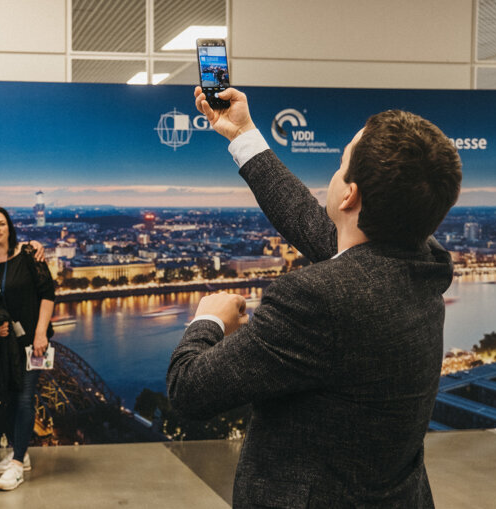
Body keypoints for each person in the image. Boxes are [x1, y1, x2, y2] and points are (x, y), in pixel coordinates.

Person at [167, 87, 462, 507]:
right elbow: (310, 221)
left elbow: (189, 390)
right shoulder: (424, 264)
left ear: (349, 195)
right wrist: (243, 134)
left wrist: (208, 320)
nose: (334, 173)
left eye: (341, 165)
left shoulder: (316, 301)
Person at [0, 206, 54, 491]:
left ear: (9, 228)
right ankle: (23, 454)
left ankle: (17, 465)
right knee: (6, 397)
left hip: (33, 341)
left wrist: (41, 332)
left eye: (1, 223)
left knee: (24, 398)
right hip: (1, 344)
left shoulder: (30, 255)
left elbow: (47, 294)